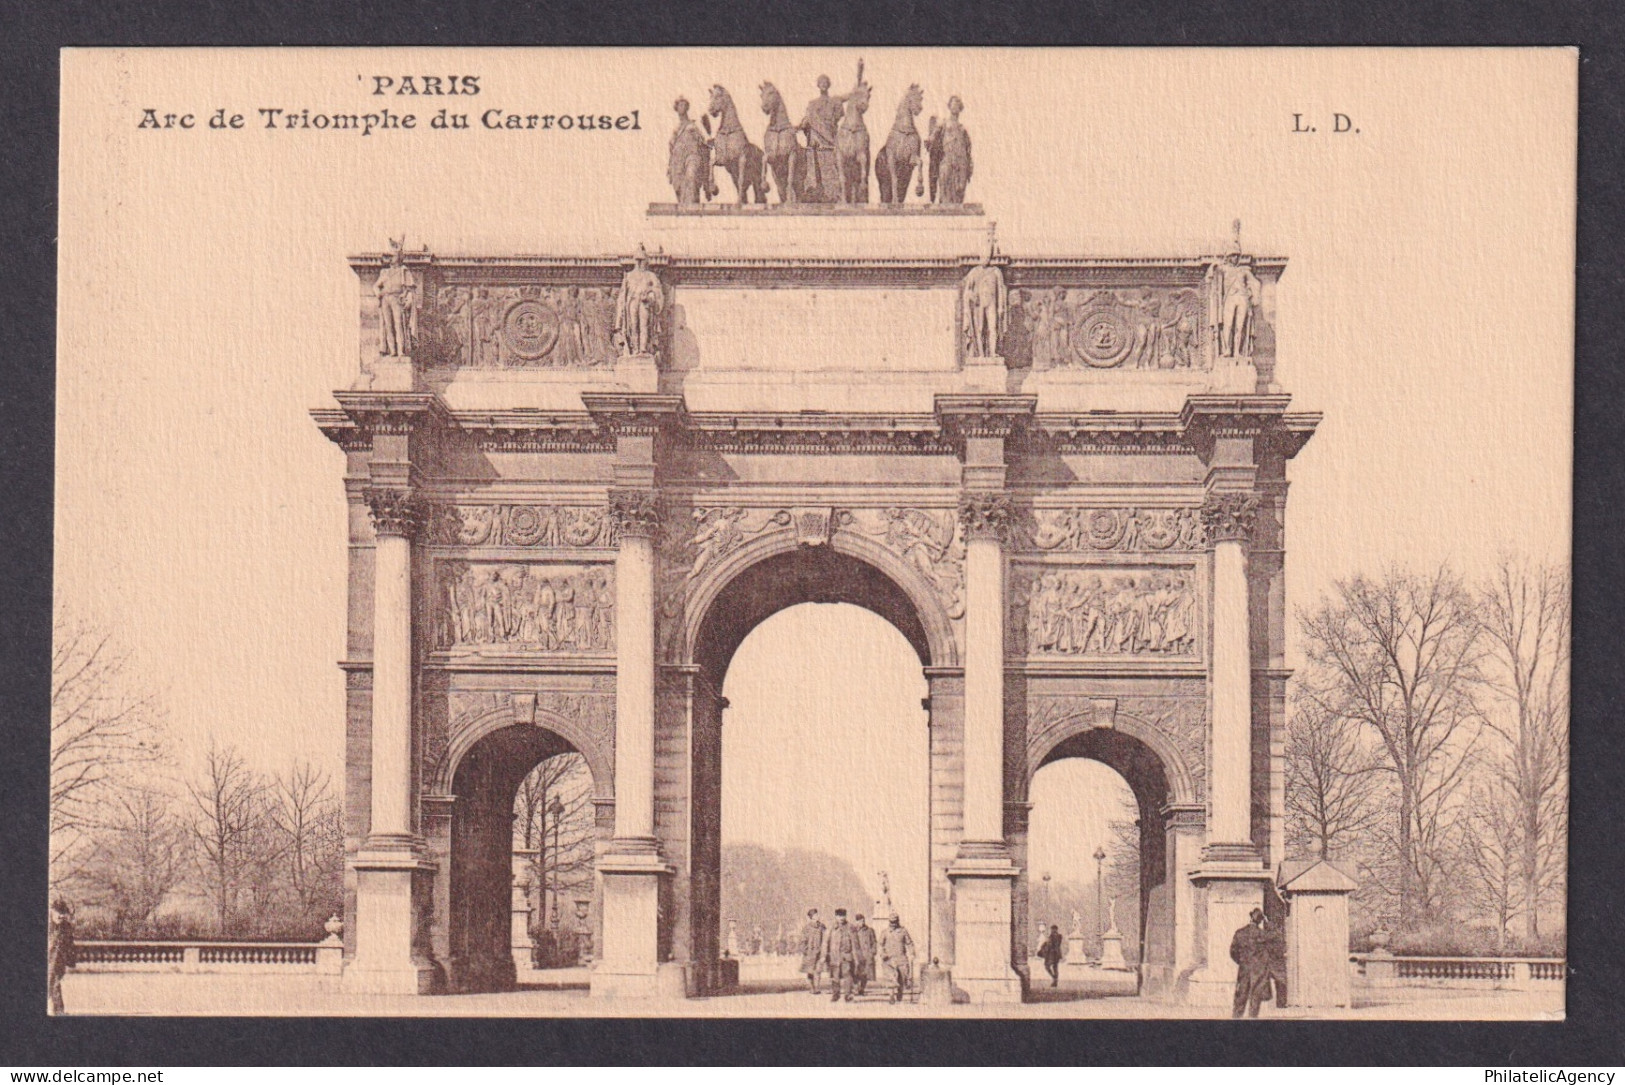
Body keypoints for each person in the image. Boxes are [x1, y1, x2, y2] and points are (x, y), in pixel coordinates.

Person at [1229, 907, 1274, 1018]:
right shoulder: (1263, 934)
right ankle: (1252, 1020)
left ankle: (1236, 1018)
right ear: (1260, 920)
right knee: (1255, 997)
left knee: (1241, 995)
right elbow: (1276, 937)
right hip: (1258, 970)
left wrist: (1242, 962)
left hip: (1244, 968)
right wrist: (1268, 923)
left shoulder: (1240, 933)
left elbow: (1233, 952)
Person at [824, 908, 860, 1003]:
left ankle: (848, 996)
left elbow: (855, 944)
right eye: (839, 916)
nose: (841, 918)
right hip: (834, 957)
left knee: (848, 976)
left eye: (843, 916)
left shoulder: (850, 928)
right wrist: (824, 956)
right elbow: (825, 943)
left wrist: (857, 959)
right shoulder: (831, 928)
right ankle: (836, 995)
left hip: (846, 956)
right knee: (835, 977)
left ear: (846, 916)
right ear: (836, 917)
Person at [879, 913, 915, 1004]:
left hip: (901, 958)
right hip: (889, 959)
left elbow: (909, 943)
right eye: (891, 922)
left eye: (895, 922)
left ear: (898, 921)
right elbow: (880, 945)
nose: (893, 924)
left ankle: (900, 994)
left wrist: (912, 952)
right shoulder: (885, 932)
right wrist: (882, 954)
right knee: (890, 978)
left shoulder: (903, 931)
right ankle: (891, 995)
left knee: (902, 978)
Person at [47, 898, 75, 1015]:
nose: (61, 916)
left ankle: (58, 1009)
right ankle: (58, 1010)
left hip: (59, 956)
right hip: (53, 956)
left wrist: (70, 959)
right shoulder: (53, 924)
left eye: (63, 913)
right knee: (53, 981)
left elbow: (69, 943)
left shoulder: (66, 926)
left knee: (54, 981)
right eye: (60, 912)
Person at [1262, 912, 1289, 1008]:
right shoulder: (1278, 933)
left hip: (1275, 960)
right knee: (1280, 981)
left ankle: (1279, 1003)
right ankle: (1280, 1003)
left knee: (1280, 981)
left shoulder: (1273, 933)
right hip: (1276, 960)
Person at [798, 908, 826, 994]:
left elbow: (825, 939)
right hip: (809, 953)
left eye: (817, 914)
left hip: (819, 952)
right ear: (811, 917)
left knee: (818, 971)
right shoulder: (806, 928)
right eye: (815, 915)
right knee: (810, 971)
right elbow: (802, 941)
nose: (817, 916)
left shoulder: (822, 927)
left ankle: (817, 988)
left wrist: (824, 951)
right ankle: (812, 988)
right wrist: (805, 951)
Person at [852, 913, 877, 997]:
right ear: (856, 921)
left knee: (865, 974)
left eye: (863, 920)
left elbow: (874, 942)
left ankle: (862, 989)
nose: (861, 922)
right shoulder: (853, 930)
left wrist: (873, 952)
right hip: (857, 955)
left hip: (867, 955)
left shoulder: (870, 930)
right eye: (859, 920)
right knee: (855, 973)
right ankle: (856, 989)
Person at [1038, 924, 1065, 988]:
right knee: (1055, 968)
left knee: (1047, 966)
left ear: (1055, 929)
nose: (1052, 931)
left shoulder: (1054, 936)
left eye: (1053, 929)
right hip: (1056, 954)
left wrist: (1045, 946)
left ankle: (1054, 978)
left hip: (1052, 954)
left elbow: (1050, 945)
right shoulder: (1058, 936)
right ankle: (1055, 980)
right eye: (1052, 929)